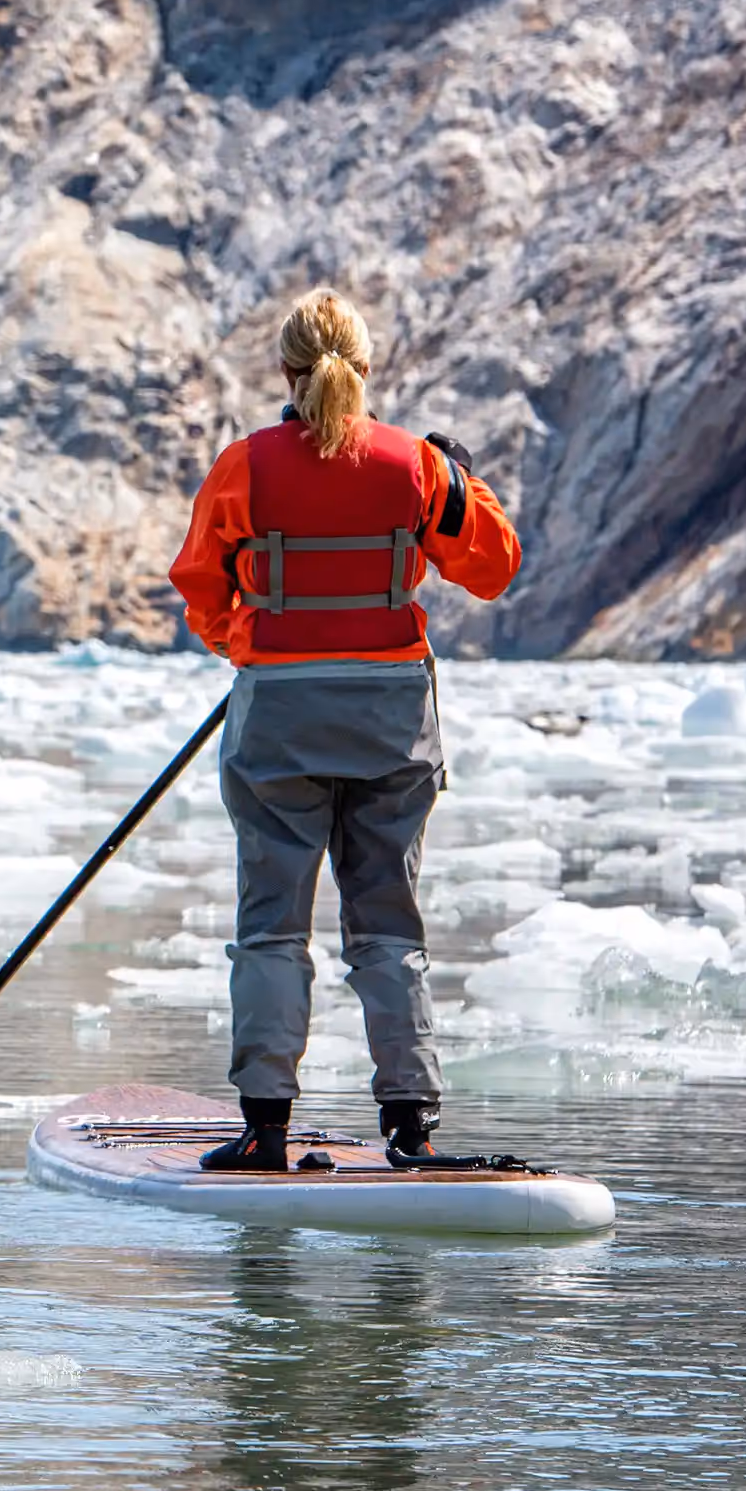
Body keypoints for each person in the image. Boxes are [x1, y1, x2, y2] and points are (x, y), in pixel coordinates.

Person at [167, 288, 524, 1172]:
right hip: (391, 723)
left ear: (285, 370)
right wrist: (461, 480)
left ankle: (265, 1128)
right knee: (388, 921)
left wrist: (260, 646)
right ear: (365, 368)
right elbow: (492, 569)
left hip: (279, 719)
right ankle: (411, 1126)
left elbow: (203, 595)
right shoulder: (416, 467)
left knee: (271, 923)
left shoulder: (243, 466)